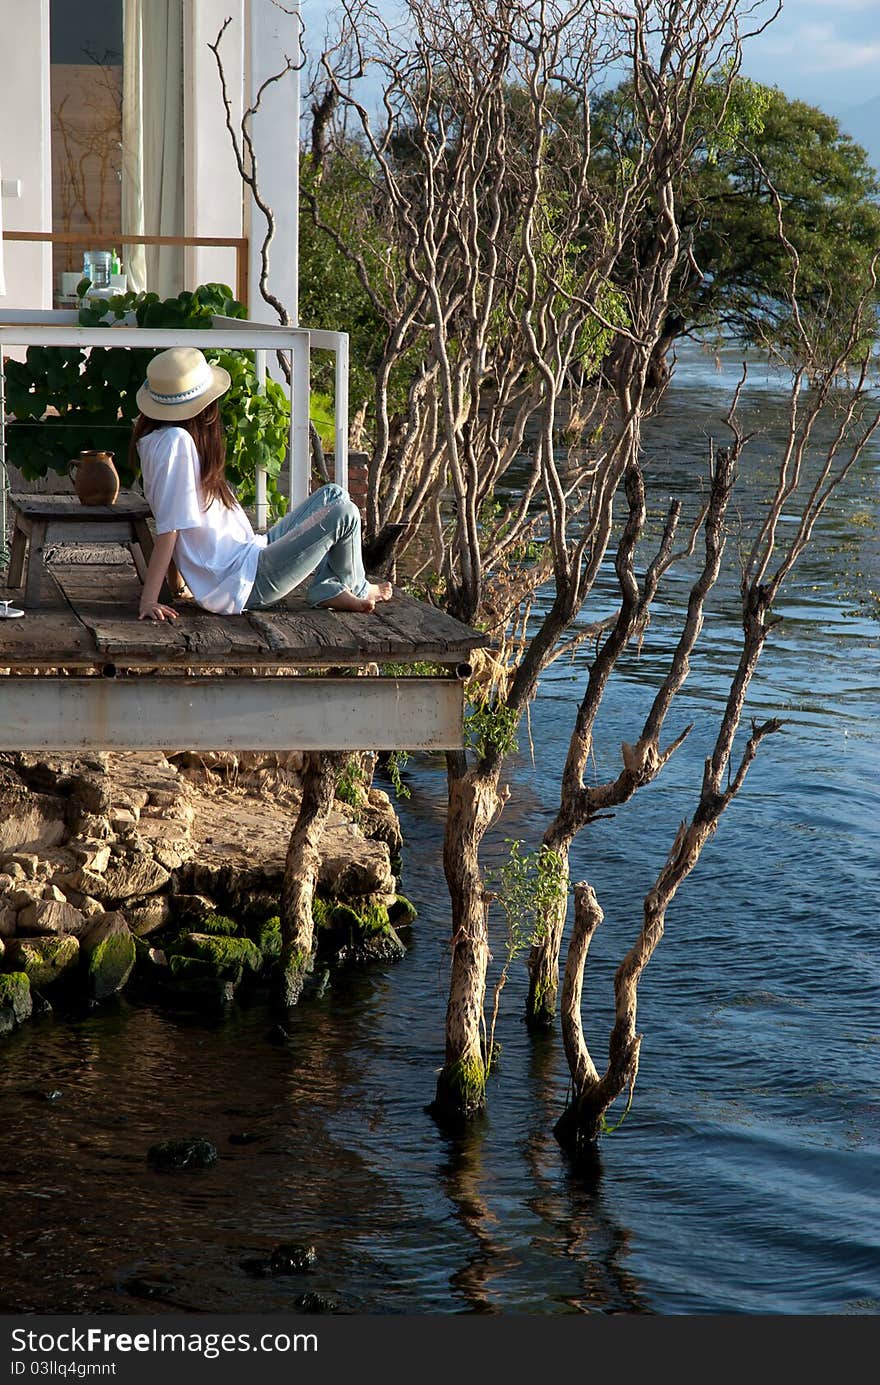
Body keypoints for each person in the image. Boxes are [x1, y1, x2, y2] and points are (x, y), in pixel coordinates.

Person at [130, 345, 391, 623]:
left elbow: (175, 518)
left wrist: (179, 585)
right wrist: (150, 599)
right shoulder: (176, 443)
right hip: (244, 582)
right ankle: (354, 587)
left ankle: (330, 588)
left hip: (250, 556)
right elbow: (170, 527)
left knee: (334, 495)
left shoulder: (156, 440)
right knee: (345, 514)